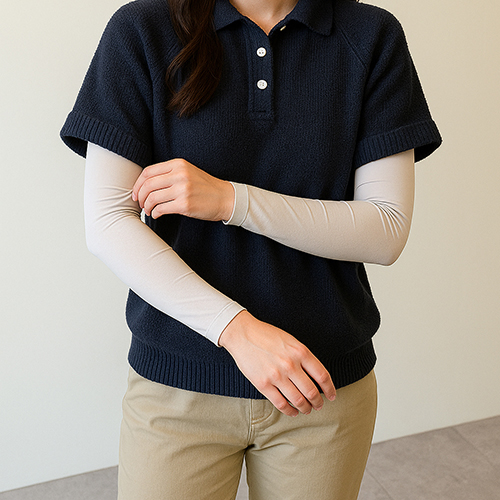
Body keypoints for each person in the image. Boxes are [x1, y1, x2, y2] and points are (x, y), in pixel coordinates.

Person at [61, 0, 441, 498]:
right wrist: (238, 332)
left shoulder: (371, 36)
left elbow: (385, 229)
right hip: (178, 389)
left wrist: (230, 200)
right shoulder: (141, 30)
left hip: (321, 388)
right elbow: (109, 222)